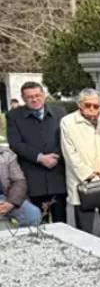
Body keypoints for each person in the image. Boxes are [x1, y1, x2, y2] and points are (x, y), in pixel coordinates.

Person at [60, 89, 100, 241]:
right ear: (80, 105)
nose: (92, 109)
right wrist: (88, 173)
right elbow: (70, 153)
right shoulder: (68, 122)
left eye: (96, 105)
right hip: (82, 181)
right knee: (84, 228)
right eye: (88, 105)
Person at [7, 81, 67, 223]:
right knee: (38, 222)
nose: (34, 99)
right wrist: (40, 158)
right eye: (29, 97)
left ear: (44, 95)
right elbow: (15, 143)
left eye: (38, 95)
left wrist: (56, 157)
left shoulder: (60, 113)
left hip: (57, 175)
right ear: (23, 98)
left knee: (61, 222)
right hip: (33, 177)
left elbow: (67, 139)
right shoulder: (14, 116)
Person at [0, 148, 43, 227]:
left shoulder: (5, 154)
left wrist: (11, 202)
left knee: (33, 213)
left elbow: (19, 180)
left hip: (6, 198)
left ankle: (25, 238)